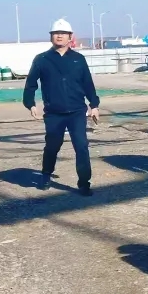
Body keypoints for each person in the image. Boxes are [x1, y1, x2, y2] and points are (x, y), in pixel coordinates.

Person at [22, 19, 100, 196]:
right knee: (52, 146)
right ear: (51, 37)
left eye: (63, 33)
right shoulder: (42, 59)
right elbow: (31, 84)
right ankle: (46, 175)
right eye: (56, 33)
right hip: (53, 113)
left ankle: (84, 183)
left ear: (70, 37)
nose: (59, 36)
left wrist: (94, 105)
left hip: (77, 111)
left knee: (81, 146)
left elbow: (88, 84)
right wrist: (30, 103)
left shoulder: (78, 59)